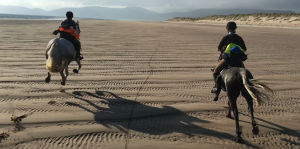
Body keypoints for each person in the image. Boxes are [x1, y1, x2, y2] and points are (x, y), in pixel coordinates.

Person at [211, 21, 248, 101]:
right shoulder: (239, 38)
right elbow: (244, 49)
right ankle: (248, 87)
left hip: (227, 59)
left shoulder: (225, 38)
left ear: (227, 29)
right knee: (245, 72)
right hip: (238, 59)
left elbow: (219, 48)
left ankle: (217, 88)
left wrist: (223, 50)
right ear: (235, 29)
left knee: (215, 72)